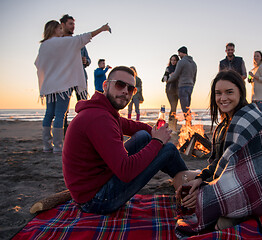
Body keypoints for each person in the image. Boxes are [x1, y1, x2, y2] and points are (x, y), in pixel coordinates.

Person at [175, 70, 262, 237]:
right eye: (218, 93)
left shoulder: (248, 117)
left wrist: (205, 190)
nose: (223, 98)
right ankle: (234, 213)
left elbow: (248, 168)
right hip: (236, 177)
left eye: (229, 92)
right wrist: (199, 180)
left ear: (241, 92)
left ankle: (238, 215)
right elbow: (219, 163)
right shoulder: (223, 125)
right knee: (183, 182)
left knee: (202, 201)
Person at [62, 66, 196, 215]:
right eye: (120, 84)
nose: (125, 91)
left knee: (143, 136)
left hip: (93, 186)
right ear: (105, 85)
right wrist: (157, 141)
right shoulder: (99, 119)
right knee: (168, 150)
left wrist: (154, 132)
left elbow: (130, 125)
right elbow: (125, 171)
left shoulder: (103, 110)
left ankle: (183, 180)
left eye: (131, 88)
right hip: (96, 200)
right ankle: (189, 187)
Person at [35, 20, 110, 153]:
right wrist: (102, 28)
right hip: (63, 85)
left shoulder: (44, 46)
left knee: (49, 114)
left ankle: (47, 145)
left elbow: (38, 63)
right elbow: (84, 38)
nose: (61, 31)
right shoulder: (63, 42)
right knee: (60, 115)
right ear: (53, 30)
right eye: (59, 28)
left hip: (49, 86)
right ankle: (58, 147)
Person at [60, 14, 92, 135]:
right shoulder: (59, 42)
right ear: (63, 25)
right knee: (63, 110)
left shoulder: (80, 42)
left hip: (80, 79)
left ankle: (85, 132)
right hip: (64, 79)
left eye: (74, 24)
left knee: (84, 107)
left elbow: (88, 60)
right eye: (70, 24)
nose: (73, 26)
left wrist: (86, 61)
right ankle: (65, 134)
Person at [167, 46, 197, 124]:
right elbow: (194, 77)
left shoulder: (181, 62)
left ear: (181, 53)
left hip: (182, 86)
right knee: (187, 106)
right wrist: (192, 85)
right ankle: (189, 124)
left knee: (184, 107)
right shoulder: (194, 64)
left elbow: (176, 75)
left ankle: (188, 124)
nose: (179, 55)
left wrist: (168, 80)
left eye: (179, 53)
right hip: (190, 86)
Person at [161, 54, 180, 131]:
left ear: (177, 61)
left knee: (174, 108)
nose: (173, 61)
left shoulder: (179, 69)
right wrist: (170, 76)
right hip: (169, 90)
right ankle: (171, 126)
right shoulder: (168, 68)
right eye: (172, 60)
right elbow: (163, 79)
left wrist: (176, 76)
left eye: (174, 60)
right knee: (173, 106)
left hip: (177, 90)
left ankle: (173, 126)